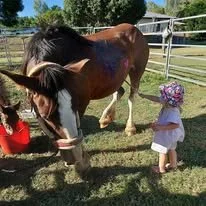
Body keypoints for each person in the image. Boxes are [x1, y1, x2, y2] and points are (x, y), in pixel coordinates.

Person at [138, 81, 185, 174]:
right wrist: (144, 95)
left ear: (168, 100)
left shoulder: (173, 112)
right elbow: (155, 98)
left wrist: (160, 127)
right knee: (172, 149)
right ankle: (173, 165)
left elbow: (175, 125)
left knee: (162, 151)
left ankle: (161, 169)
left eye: (163, 96)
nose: (161, 97)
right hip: (172, 135)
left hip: (167, 134)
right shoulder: (170, 105)